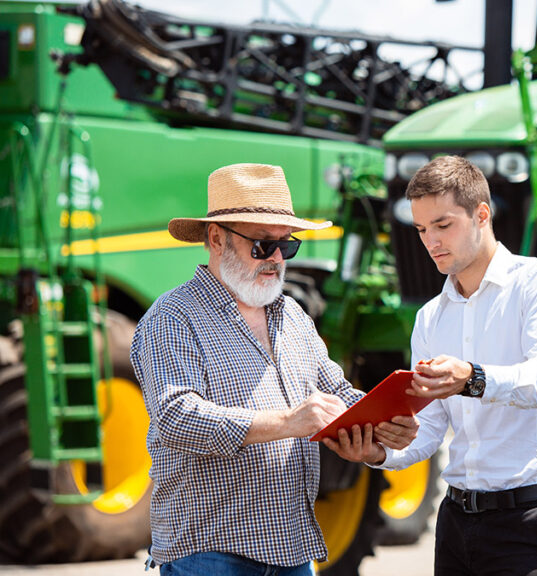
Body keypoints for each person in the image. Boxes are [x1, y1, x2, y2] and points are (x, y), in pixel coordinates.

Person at [130, 163, 417, 576]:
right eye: (263, 246)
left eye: (288, 245)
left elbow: (335, 391)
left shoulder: (293, 315)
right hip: (210, 552)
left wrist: (382, 428)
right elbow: (176, 417)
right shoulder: (173, 317)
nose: (278, 258)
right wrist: (287, 421)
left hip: (290, 548)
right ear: (216, 238)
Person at [327, 155, 537, 576]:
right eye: (422, 230)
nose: (431, 242)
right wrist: (378, 451)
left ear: (482, 214)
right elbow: (428, 429)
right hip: (456, 523)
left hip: (532, 521)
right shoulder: (430, 317)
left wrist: (473, 378)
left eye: (443, 225)